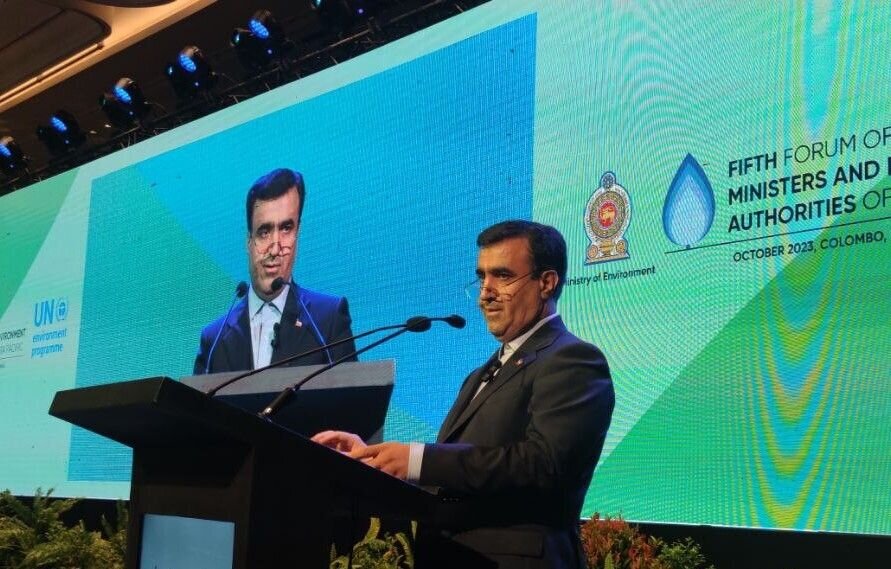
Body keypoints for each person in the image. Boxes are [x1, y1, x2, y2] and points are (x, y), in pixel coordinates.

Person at [313, 220, 614, 568]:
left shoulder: (572, 359)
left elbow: (543, 464)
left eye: (502, 276)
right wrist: (373, 462)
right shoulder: (480, 374)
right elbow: (458, 479)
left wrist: (418, 461)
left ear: (546, 283)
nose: (485, 292)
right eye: (481, 277)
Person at [194, 168, 356, 374]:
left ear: (297, 233)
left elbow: (352, 392)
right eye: (264, 232)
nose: (275, 249)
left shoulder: (327, 321)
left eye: (286, 228)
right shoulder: (213, 339)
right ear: (248, 241)